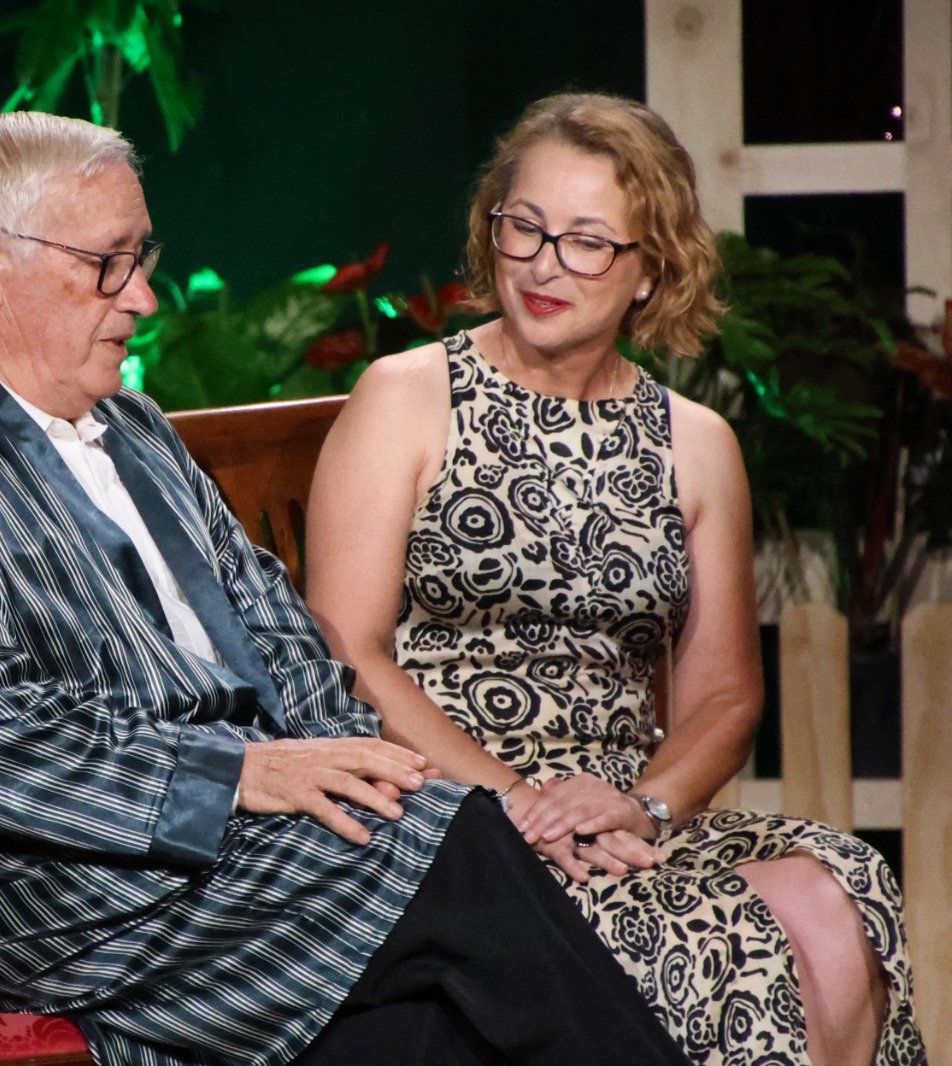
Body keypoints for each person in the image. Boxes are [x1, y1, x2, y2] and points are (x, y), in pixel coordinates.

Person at [0, 110, 690, 1066]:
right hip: (67, 889)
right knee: (464, 851)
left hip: (245, 851)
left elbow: (280, 637)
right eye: (109, 263)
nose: (143, 296)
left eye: (141, 258)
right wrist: (241, 775)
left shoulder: (136, 430)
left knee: (428, 1032)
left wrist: (354, 771)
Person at [306, 92, 925, 1066]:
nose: (544, 264)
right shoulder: (406, 399)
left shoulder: (695, 444)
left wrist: (643, 805)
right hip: (447, 812)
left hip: (620, 812)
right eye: (524, 227)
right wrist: (515, 800)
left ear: (651, 269)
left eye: (588, 242)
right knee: (730, 936)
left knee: (837, 889)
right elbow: (346, 651)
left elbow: (724, 697)